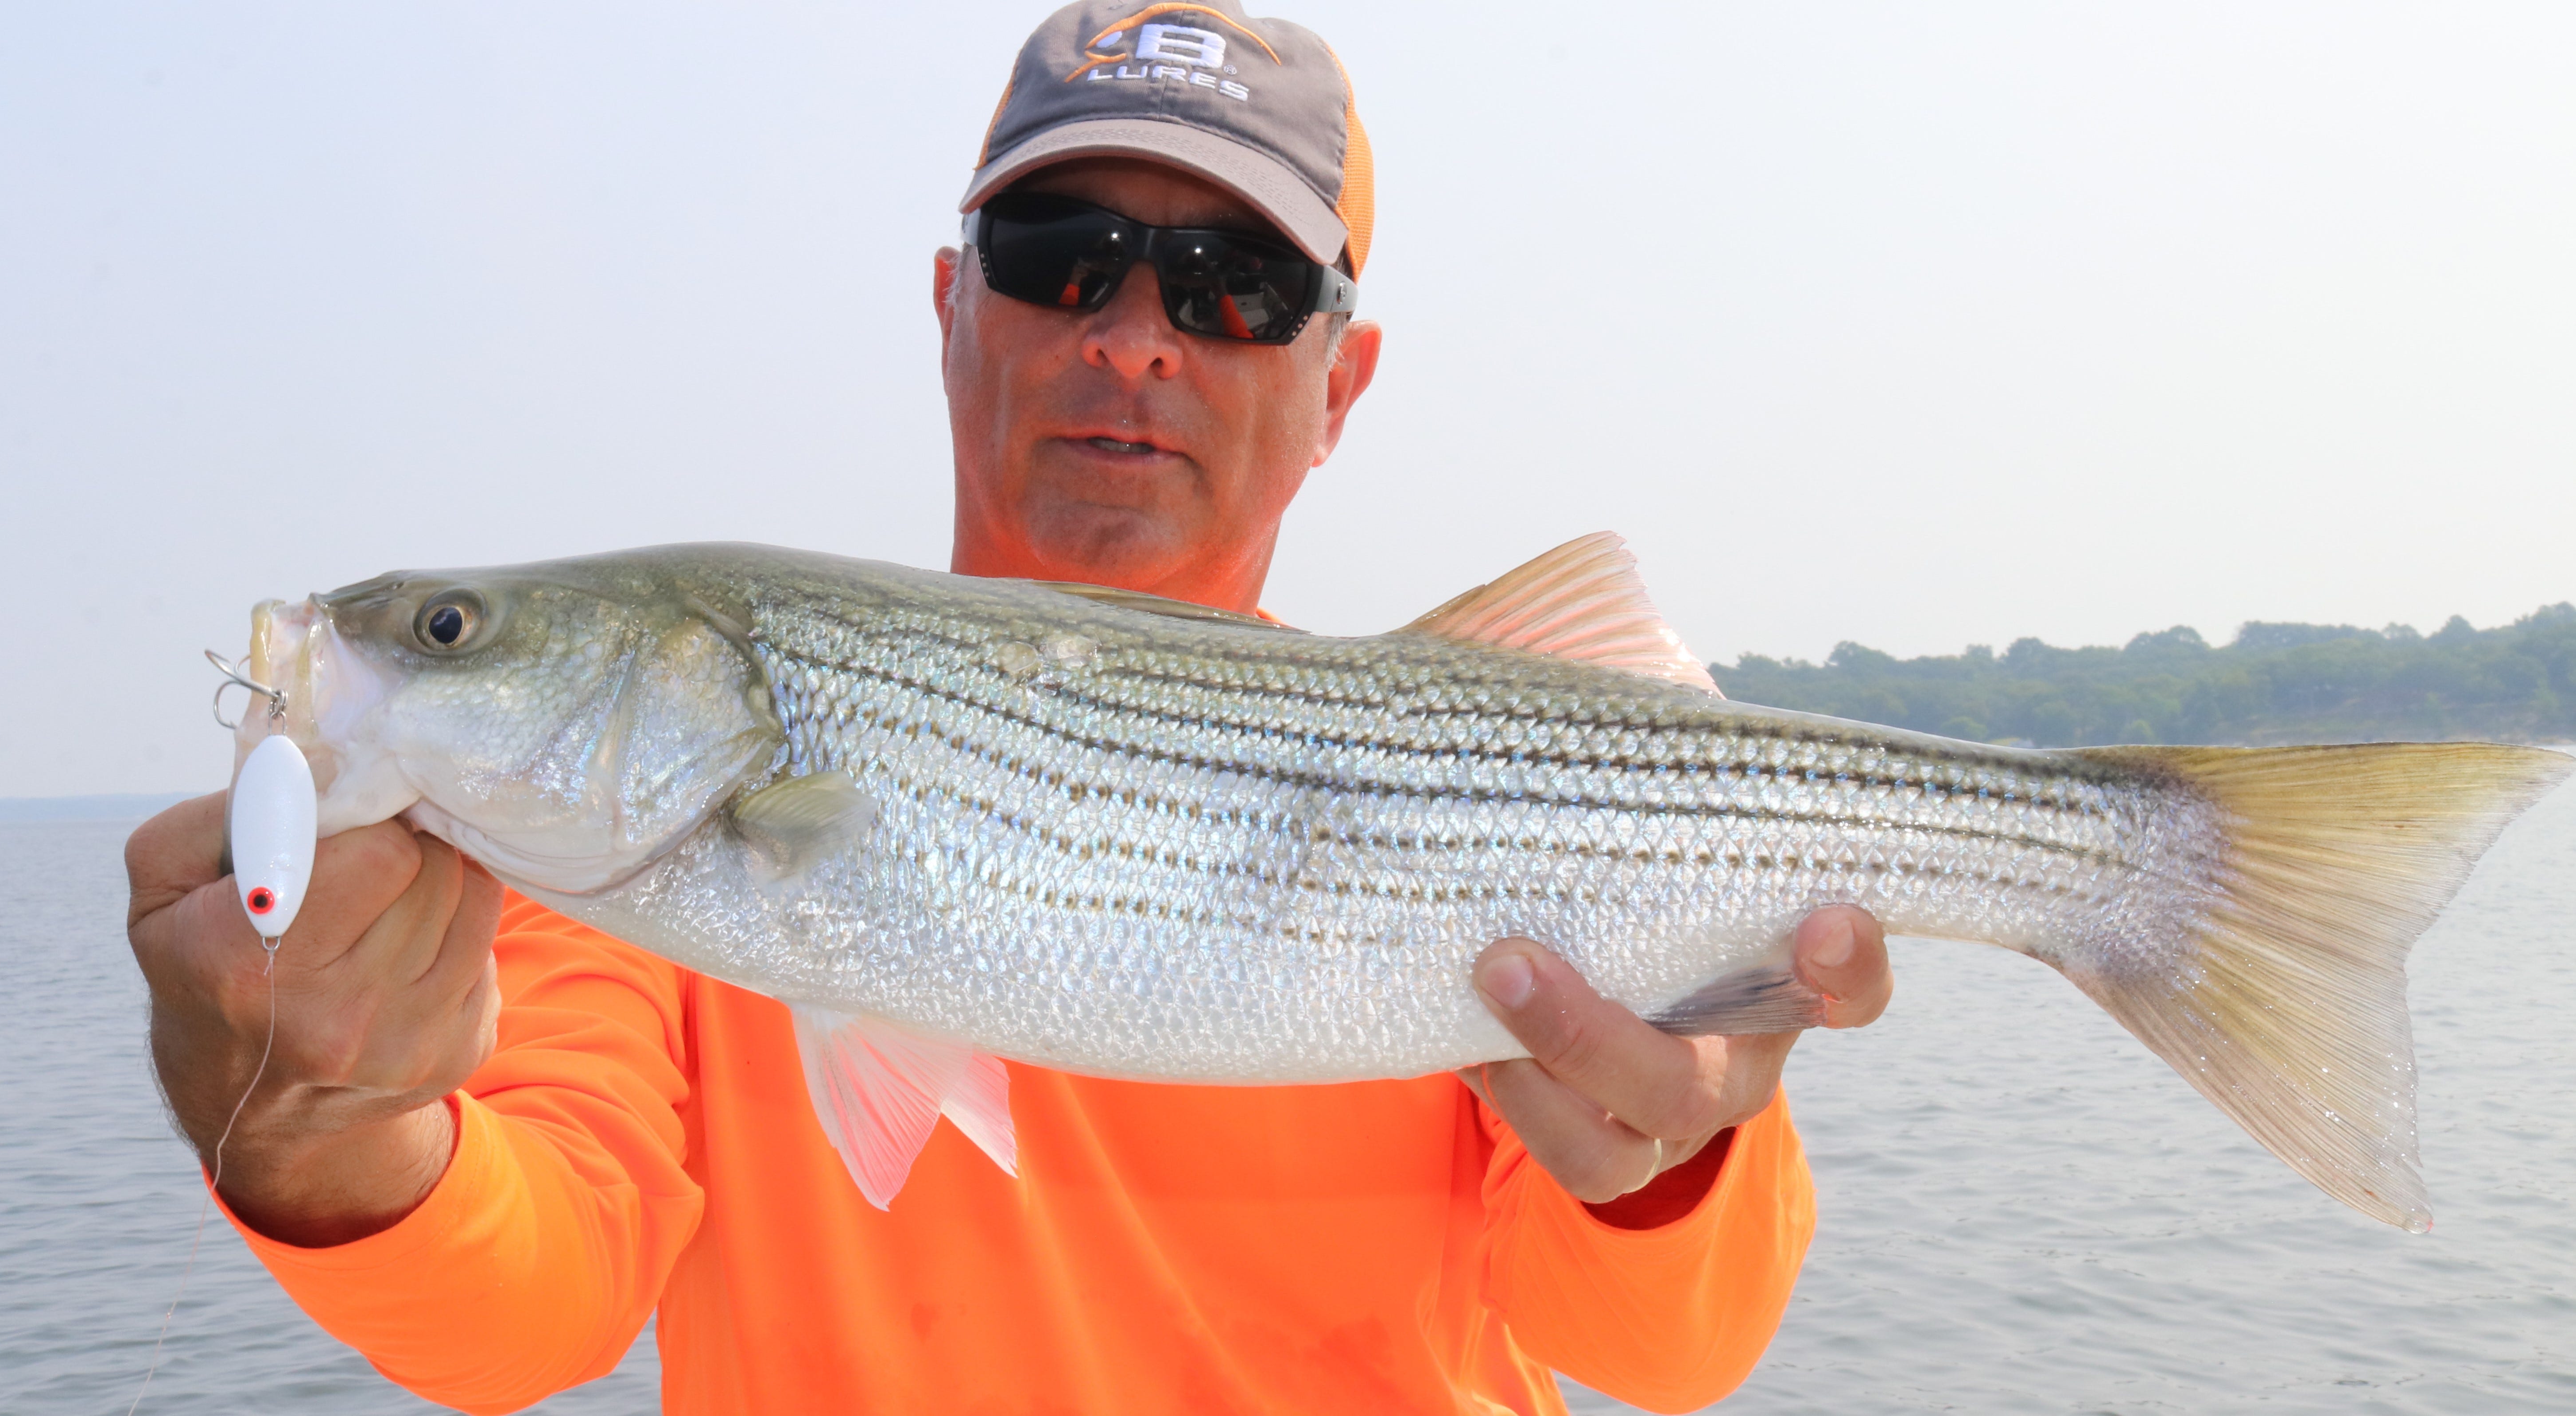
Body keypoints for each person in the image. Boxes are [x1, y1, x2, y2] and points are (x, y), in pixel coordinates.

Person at [124, 4, 1893, 1412]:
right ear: (953, 304)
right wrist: (322, 1125)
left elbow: (1671, 1354)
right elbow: (531, 1300)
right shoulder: (621, 864)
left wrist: (1665, 1158)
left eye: (1237, 288)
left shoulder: (1495, 793)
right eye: (1064, 252)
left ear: (1338, 382)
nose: (1137, 336)